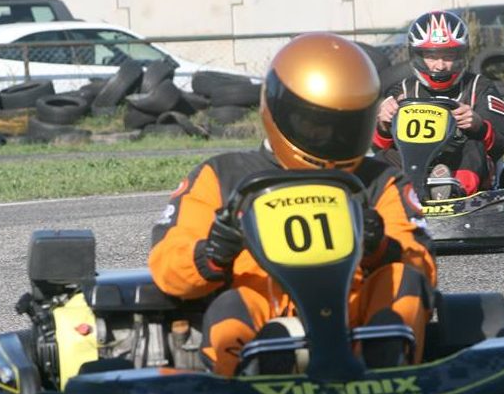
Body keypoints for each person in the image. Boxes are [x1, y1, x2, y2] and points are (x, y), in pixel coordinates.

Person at [148, 33, 437, 376]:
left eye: (342, 127)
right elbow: (168, 269)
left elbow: (422, 268)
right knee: (232, 306)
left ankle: (389, 374)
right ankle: (249, 383)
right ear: (278, 108)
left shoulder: (379, 180)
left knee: (402, 278)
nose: (329, 138)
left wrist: (380, 247)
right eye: (314, 125)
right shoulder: (221, 175)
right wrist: (211, 252)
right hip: (261, 308)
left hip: (355, 317)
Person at [373, 10, 504, 198]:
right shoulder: (402, 91)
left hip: (460, 167)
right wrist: (383, 124)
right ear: (418, 56)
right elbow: (380, 145)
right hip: (413, 163)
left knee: (473, 146)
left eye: (448, 56)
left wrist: (478, 125)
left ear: (461, 55)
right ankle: (390, 198)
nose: (440, 66)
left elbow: (502, 142)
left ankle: (454, 192)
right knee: (382, 158)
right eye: (432, 56)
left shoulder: (480, 87)